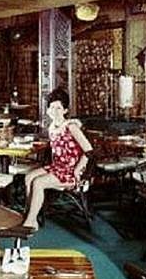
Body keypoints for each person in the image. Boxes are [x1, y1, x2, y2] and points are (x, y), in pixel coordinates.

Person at [22, 88, 93, 230]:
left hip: (71, 171)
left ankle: (30, 221)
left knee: (38, 182)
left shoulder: (71, 126)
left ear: (65, 110)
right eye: (52, 107)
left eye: (59, 108)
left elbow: (89, 151)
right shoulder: (52, 127)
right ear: (48, 110)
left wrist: (78, 169)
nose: (55, 111)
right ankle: (30, 214)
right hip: (58, 167)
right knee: (29, 177)